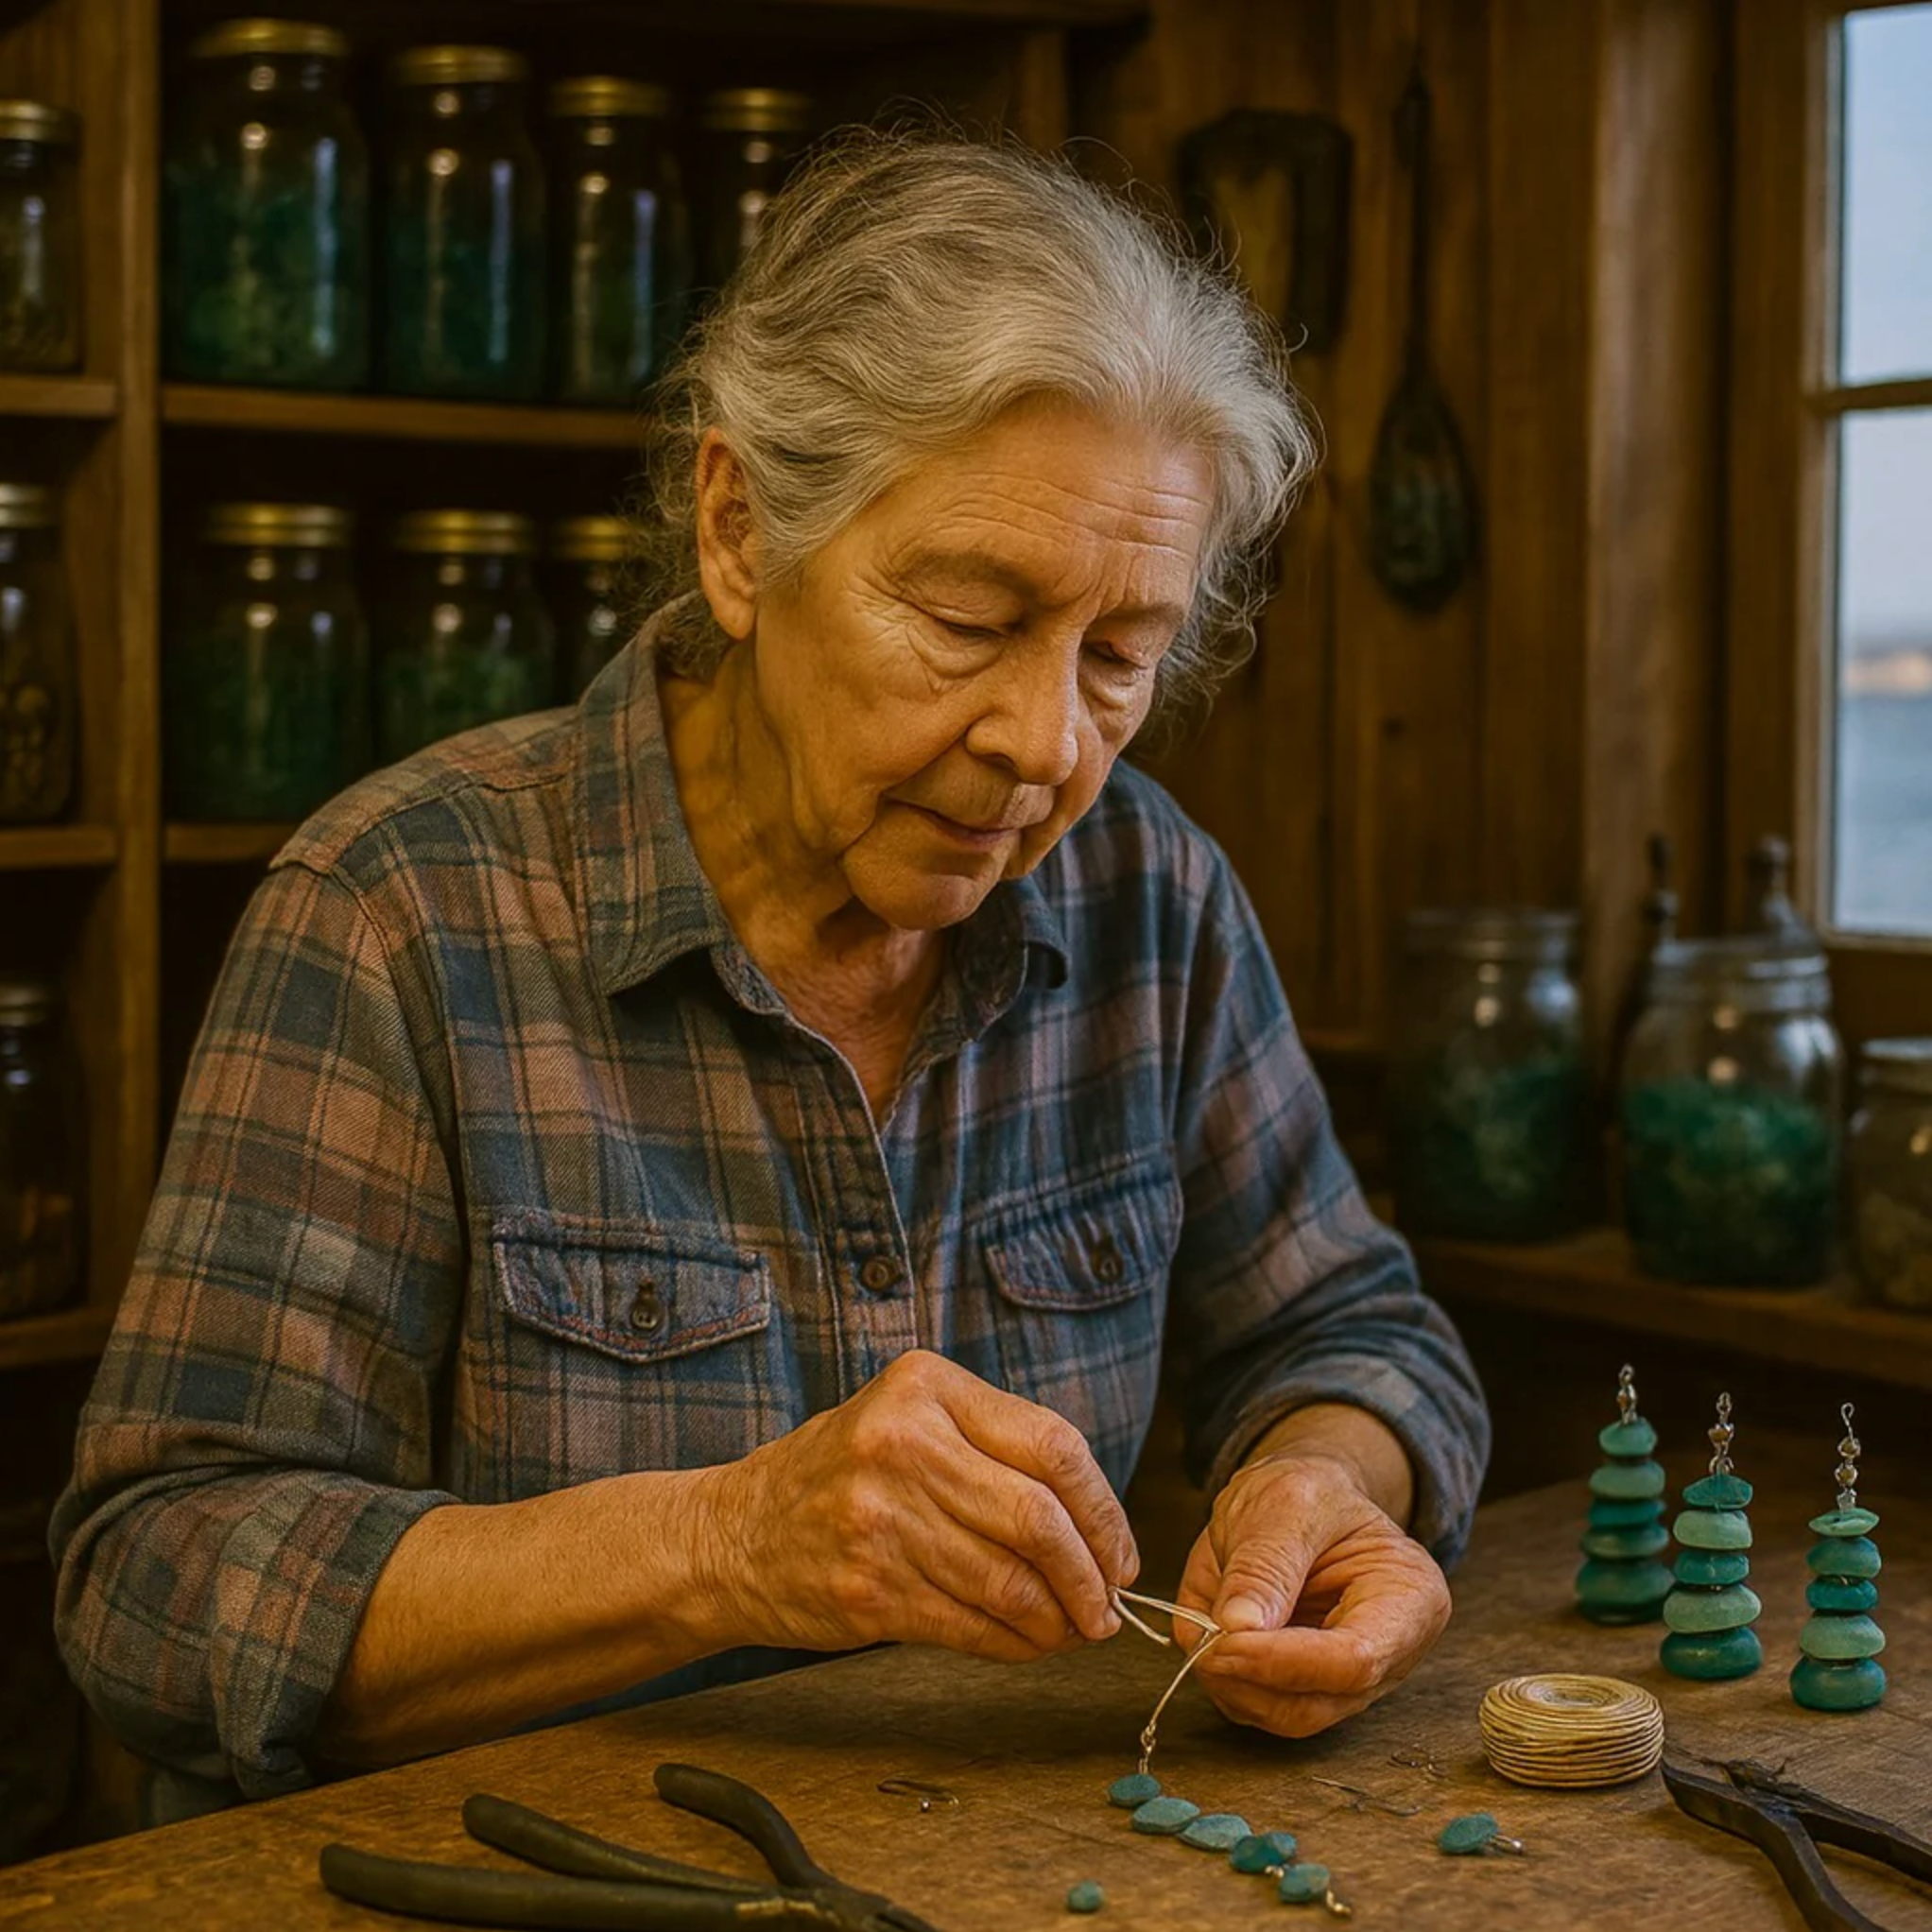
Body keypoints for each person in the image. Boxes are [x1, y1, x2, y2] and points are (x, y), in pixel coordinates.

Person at [52, 133, 1489, 1812]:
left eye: (1119, 656)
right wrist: (723, 1546)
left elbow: (1358, 1326)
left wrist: (1327, 1480)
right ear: (739, 533)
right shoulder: (398, 913)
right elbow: (152, 1580)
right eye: (964, 618)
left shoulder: (1147, 891)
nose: (1042, 745)